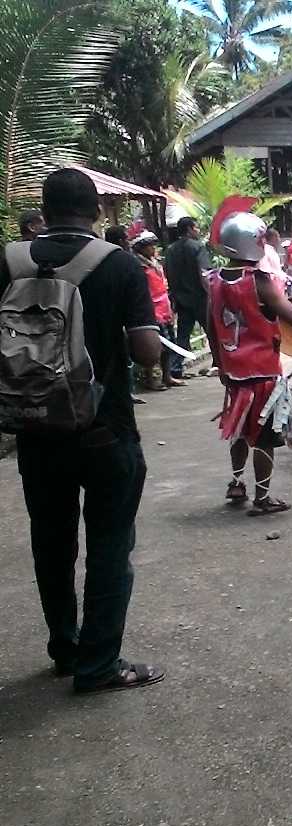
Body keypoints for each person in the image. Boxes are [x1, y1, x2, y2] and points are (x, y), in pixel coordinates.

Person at [0, 168, 164, 692]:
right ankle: (99, 664)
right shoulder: (118, 265)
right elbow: (147, 352)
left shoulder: (7, 260)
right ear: (96, 211)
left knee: (51, 543)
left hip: (33, 428)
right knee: (111, 545)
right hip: (104, 431)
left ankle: (65, 649)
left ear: (43, 213)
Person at [207, 204, 292, 515]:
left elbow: (211, 325)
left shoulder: (214, 279)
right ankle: (262, 497)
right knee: (263, 435)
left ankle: (237, 482)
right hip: (263, 372)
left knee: (239, 429)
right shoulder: (259, 280)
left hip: (235, 371)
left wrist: (221, 363)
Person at [132, 227, 183, 389]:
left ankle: (167, 376)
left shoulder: (155, 263)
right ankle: (152, 379)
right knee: (156, 346)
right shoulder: (139, 266)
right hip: (152, 309)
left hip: (164, 307)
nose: (153, 249)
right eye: (150, 246)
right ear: (141, 248)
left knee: (168, 344)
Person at [164, 216, 212, 372]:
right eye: (196, 227)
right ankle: (218, 363)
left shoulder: (171, 250)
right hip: (200, 298)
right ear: (190, 229)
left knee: (183, 336)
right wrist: (211, 293)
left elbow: (168, 273)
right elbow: (204, 273)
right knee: (211, 332)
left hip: (182, 299)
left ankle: (175, 367)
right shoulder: (197, 247)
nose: (197, 230)